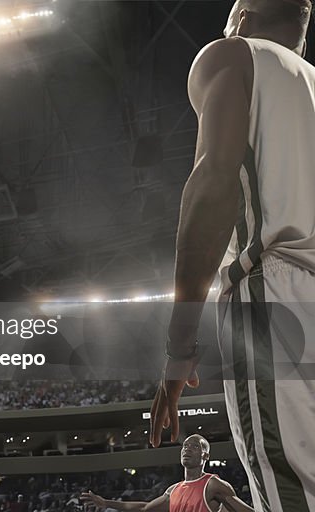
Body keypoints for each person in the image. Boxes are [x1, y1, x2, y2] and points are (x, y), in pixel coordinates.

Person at [148, 0, 315, 510]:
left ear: (241, 15)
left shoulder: (232, 55)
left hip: (278, 296)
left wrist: (180, 348)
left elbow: (213, 188)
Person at [81, 435, 251, 511]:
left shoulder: (213, 485)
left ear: (205, 455)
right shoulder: (173, 490)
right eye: (185, 446)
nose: (187, 449)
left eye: (195, 446)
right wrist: (106, 503)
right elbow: (145, 508)